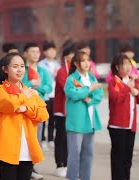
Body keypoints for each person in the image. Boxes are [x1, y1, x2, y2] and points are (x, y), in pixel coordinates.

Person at [0, 52, 49, 180]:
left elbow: (44, 114)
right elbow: (8, 104)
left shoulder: (30, 92)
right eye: (15, 66)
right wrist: (23, 96)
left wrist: (26, 109)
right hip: (7, 148)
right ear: (5, 69)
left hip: (27, 150)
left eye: (22, 66)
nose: (19, 70)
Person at [64, 51, 103, 180]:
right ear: (76, 63)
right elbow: (73, 94)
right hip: (76, 122)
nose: (87, 63)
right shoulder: (71, 79)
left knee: (88, 154)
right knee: (75, 154)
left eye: (88, 60)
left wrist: (89, 99)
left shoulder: (92, 77)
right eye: (83, 60)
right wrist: (89, 89)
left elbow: (99, 94)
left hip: (90, 121)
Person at [108, 54, 139, 180]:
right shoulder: (115, 81)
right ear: (117, 67)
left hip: (130, 125)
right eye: (125, 64)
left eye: (129, 64)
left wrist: (136, 91)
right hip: (117, 125)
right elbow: (116, 99)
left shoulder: (132, 80)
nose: (128, 67)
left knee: (128, 158)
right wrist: (128, 88)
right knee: (118, 158)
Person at [21, 42, 52, 179]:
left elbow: (49, 87)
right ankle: (23, 166)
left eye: (37, 52)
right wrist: (30, 84)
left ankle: (31, 167)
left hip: (38, 108)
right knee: (25, 137)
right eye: (32, 52)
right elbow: (19, 86)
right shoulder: (22, 69)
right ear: (25, 54)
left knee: (37, 138)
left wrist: (38, 86)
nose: (36, 55)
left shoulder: (43, 71)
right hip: (23, 108)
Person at [53, 45, 75, 177]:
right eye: (72, 56)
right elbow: (67, 87)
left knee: (68, 139)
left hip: (71, 110)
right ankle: (59, 164)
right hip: (61, 110)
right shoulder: (62, 71)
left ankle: (67, 164)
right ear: (66, 57)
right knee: (60, 138)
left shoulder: (75, 71)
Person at [38, 41, 60, 150]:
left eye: (54, 50)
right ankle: (42, 139)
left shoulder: (57, 65)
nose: (52, 52)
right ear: (45, 52)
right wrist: (52, 75)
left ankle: (51, 139)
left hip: (55, 95)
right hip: (45, 95)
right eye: (50, 50)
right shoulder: (41, 65)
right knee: (43, 118)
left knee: (53, 119)